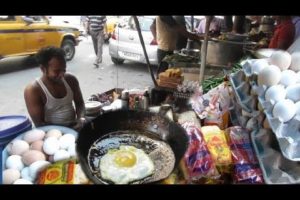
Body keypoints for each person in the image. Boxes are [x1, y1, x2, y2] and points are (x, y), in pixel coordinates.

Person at [24, 46, 86, 131]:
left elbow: (80, 103)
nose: (61, 75)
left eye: (63, 70)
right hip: (52, 133)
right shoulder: (33, 90)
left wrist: (81, 119)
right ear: (43, 69)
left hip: (74, 126)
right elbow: (40, 124)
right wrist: (67, 130)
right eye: (56, 71)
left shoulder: (71, 80)